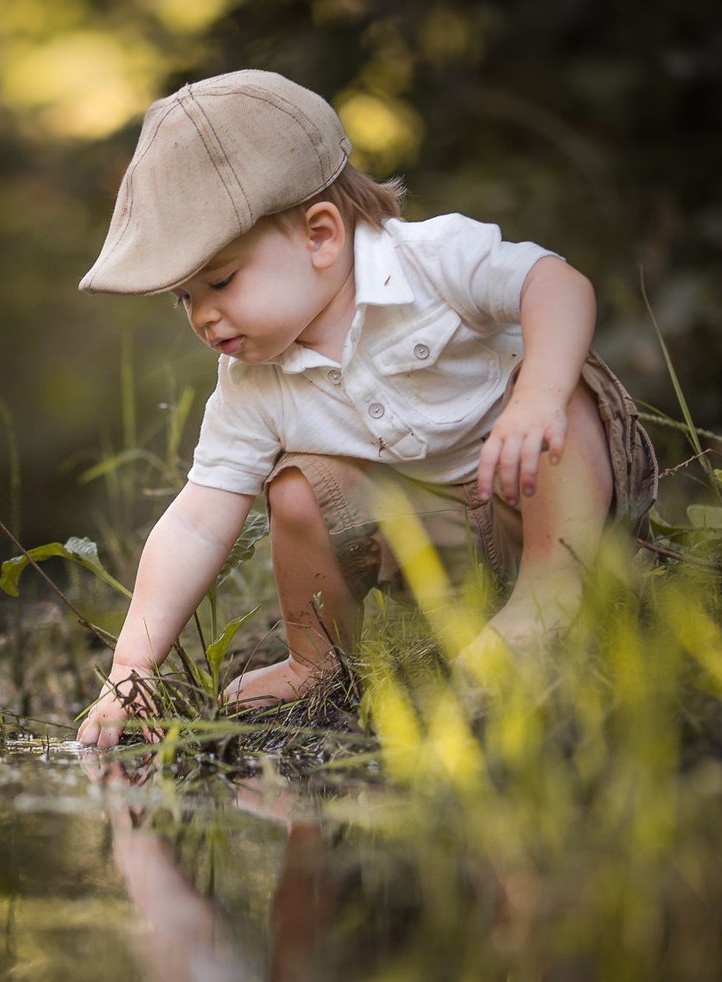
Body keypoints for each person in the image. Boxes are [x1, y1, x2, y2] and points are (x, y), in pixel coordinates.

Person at [74, 69, 656, 750]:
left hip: (548, 494)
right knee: (297, 487)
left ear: (320, 236)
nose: (203, 315)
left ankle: (551, 595)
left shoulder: (431, 260)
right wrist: (131, 668)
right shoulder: (251, 380)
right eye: (185, 298)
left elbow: (558, 284)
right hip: (441, 546)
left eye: (222, 280)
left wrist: (538, 396)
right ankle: (315, 664)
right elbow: (199, 523)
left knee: (564, 382)